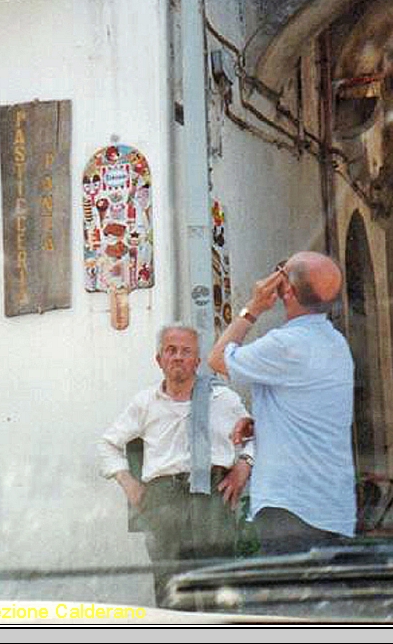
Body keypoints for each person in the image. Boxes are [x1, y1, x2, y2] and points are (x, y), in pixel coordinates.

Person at [207, 252, 356, 554]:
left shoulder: (286, 344)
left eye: (280, 272)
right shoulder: (336, 343)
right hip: (332, 507)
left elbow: (217, 359)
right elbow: (309, 409)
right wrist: (264, 422)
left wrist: (253, 308)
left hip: (291, 507)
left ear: (287, 289)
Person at [98, 325, 254, 603]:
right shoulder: (145, 402)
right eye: (171, 350)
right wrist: (128, 483)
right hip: (163, 502)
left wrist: (244, 465)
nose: (178, 357)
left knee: (218, 587)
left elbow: (256, 436)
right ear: (159, 360)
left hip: (212, 499)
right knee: (171, 590)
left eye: (186, 351)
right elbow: (108, 444)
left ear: (197, 360)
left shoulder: (222, 399)